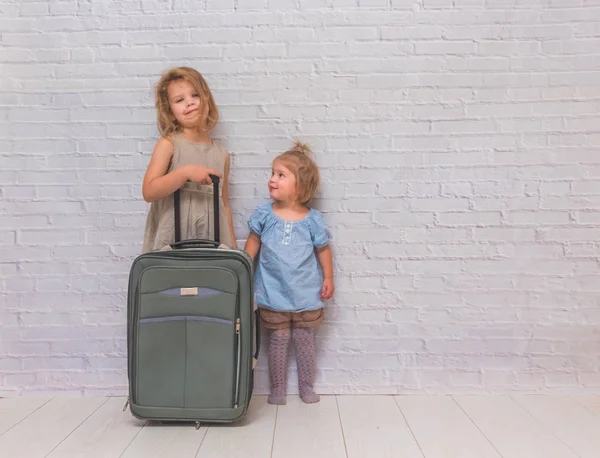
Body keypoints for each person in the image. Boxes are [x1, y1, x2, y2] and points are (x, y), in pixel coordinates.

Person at [244, 141, 334, 405]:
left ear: (300, 186)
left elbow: (323, 250)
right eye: (272, 173)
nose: (272, 179)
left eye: (281, 175)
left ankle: (306, 386)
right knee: (279, 339)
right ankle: (278, 389)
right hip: (273, 291)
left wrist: (328, 277)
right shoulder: (264, 214)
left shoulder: (312, 220)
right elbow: (252, 243)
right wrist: (243, 267)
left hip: (306, 291)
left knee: (305, 340)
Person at [141, 67, 236, 252]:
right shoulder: (169, 144)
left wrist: (233, 251)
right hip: (173, 239)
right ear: (170, 111)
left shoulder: (221, 154)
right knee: (174, 280)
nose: (190, 103)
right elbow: (149, 191)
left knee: (209, 280)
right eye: (179, 100)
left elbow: (224, 204)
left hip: (212, 240)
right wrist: (184, 173)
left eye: (195, 95)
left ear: (206, 98)